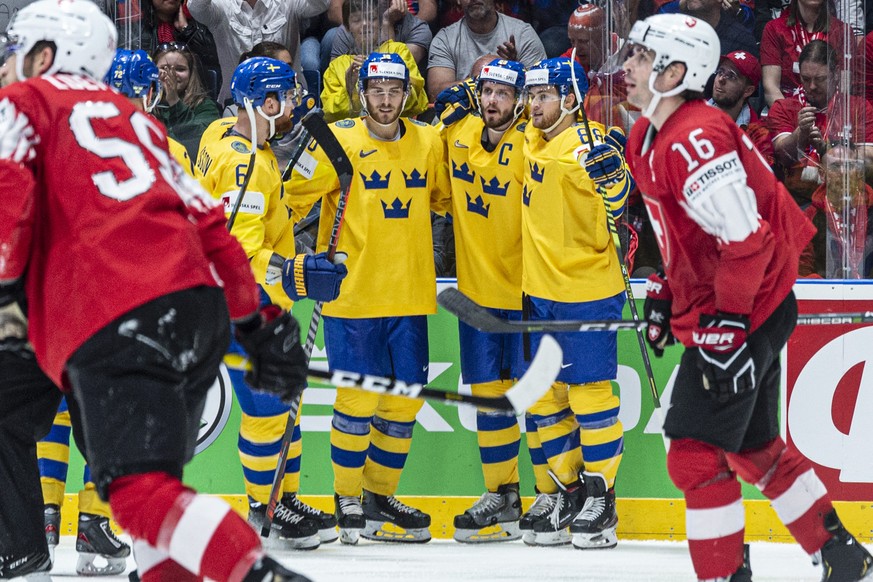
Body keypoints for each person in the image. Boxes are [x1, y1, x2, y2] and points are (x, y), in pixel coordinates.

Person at [0, 1, 315, 580]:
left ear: (45, 56)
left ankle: (254, 572)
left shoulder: (26, 101)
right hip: (193, 311)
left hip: (115, 312)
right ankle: (21, 551)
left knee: (139, 495)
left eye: (13, 52)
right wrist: (256, 326)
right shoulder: (136, 121)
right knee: (152, 498)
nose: (4, 67)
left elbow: (6, 191)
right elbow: (211, 227)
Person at [622, 13, 873, 581]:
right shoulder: (647, 132)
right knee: (753, 447)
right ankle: (840, 554)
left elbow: (746, 240)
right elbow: (678, 231)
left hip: (749, 304)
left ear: (676, 71)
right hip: (744, 303)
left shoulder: (695, 140)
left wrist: (729, 326)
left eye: (641, 56)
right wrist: (664, 290)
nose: (628, 66)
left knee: (692, 451)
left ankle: (724, 575)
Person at [285, 52, 451, 545]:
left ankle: (380, 497)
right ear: (362, 95)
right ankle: (347, 498)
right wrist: (294, 261)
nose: (384, 100)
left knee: (402, 406)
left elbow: (443, 199)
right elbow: (289, 198)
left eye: (393, 91)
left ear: (406, 94)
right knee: (357, 402)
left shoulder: (428, 141)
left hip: (411, 296)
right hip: (353, 297)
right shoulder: (335, 142)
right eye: (376, 90)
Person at [195, 56, 347, 551]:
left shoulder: (223, 133)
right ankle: (267, 504)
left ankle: (283, 498)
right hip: (240, 303)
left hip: (244, 299)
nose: (290, 106)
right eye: (282, 96)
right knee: (265, 409)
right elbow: (238, 253)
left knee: (284, 406)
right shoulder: (246, 164)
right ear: (261, 101)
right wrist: (300, 273)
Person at [437, 59, 551, 543]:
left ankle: (551, 494)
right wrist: (440, 111)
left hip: (529, 294)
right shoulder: (456, 134)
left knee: (541, 401)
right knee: (491, 402)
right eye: (486, 91)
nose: (492, 101)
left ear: (521, 100)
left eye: (504, 93)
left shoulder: (533, 143)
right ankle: (501, 495)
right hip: (477, 297)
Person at [521, 56, 631, 550]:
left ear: (570, 100)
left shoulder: (587, 147)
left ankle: (601, 497)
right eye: (532, 95)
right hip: (539, 293)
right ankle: (568, 491)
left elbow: (616, 196)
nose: (533, 104)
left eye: (543, 96)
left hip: (586, 294)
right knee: (545, 398)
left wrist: (616, 178)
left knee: (589, 397)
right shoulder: (533, 137)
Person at [769, 39, 873, 208]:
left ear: (836, 74)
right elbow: (782, 156)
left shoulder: (857, 107)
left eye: (820, 79)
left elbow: (869, 157)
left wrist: (828, 148)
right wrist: (800, 134)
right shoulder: (784, 107)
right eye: (805, 78)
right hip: (799, 203)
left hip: (848, 201)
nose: (812, 86)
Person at [187, 0, 330, 104]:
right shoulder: (221, 7)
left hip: (290, 101)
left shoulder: (287, 3)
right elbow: (196, 7)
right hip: (238, 105)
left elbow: (322, 3)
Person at [321, 0, 428, 122]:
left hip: (397, 133)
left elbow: (418, 102)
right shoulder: (337, 66)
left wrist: (391, 78)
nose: (366, 24)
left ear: (380, 23)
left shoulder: (399, 51)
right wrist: (350, 90)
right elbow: (330, 114)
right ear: (347, 26)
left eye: (372, 18)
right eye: (357, 20)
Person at [426, 0, 546, 100]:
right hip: (461, 119)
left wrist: (515, 69)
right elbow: (436, 93)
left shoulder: (523, 33)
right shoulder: (445, 39)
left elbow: (540, 90)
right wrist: (493, 76)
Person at [117, 0, 222, 100]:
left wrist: (186, 30)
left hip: (191, 101)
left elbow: (214, 64)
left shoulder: (200, 26)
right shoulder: (135, 30)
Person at [760, 0, 854, 107]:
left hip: (830, 112)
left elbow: (844, 87)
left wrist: (826, 117)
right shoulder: (774, 29)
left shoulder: (843, 31)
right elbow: (771, 87)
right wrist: (790, 117)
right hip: (788, 110)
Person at [152, 42, 221, 159]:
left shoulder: (206, 106)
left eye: (180, 69)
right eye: (164, 68)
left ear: (190, 73)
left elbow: (200, 144)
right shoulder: (143, 103)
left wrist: (173, 100)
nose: (172, 74)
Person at [330, 0, 432, 71]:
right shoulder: (350, 29)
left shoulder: (418, 29)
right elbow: (333, 79)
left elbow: (394, 72)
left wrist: (388, 23)